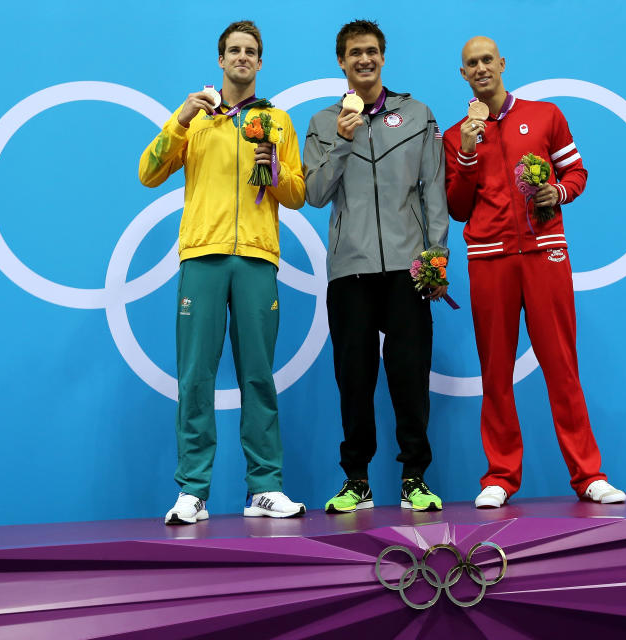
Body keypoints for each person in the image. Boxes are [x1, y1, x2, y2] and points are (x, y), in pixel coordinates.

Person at [443, 36, 626, 507]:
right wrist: (465, 154)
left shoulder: (546, 116)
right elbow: (458, 208)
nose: (481, 68)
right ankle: (500, 477)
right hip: (489, 258)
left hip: (545, 254)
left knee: (562, 366)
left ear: (502, 64)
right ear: (462, 74)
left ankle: (589, 476)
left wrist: (559, 194)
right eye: (471, 64)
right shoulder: (456, 134)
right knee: (496, 371)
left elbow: (576, 173)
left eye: (487, 60)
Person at [139, 20, 307, 523]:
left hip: (256, 257)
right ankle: (193, 491)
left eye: (250, 51)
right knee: (195, 377)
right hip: (203, 257)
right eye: (233, 50)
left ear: (260, 62)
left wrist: (274, 168)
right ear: (220, 60)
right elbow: (148, 172)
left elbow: (297, 194)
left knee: (258, 376)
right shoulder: (197, 121)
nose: (241, 57)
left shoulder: (277, 121)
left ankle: (264, 488)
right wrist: (181, 120)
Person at [304, 20, 450, 513]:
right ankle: (357, 481)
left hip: (409, 270)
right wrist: (343, 139)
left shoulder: (418, 115)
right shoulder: (323, 122)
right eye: (353, 54)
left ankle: (415, 478)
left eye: (371, 52)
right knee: (355, 377)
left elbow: (433, 190)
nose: (363, 60)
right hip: (351, 271)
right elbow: (316, 193)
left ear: (383, 57)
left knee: (409, 376)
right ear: (341, 63)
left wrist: (436, 255)